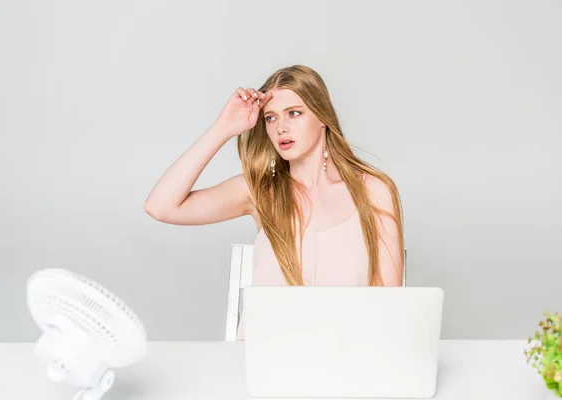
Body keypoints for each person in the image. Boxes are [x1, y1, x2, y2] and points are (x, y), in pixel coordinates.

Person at [144, 64, 405, 340]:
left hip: (346, 361)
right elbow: (160, 206)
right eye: (270, 118)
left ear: (322, 117)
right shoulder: (260, 191)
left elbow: (390, 303)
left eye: (294, 113)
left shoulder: (373, 191)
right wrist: (222, 129)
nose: (281, 127)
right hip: (264, 361)